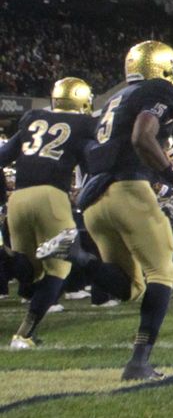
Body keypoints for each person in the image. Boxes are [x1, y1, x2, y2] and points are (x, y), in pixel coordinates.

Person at [68, 42, 173, 378]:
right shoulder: (159, 90)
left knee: (129, 286)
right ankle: (138, 362)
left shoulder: (114, 99)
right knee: (163, 273)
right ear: (164, 66)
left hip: (94, 200)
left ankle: (80, 258)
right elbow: (142, 136)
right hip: (128, 190)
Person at [3, 77, 90, 349]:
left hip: (18, 198)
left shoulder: (33, 119)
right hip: (52, 196)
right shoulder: (86, 124)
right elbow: (93, 164)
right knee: (59, 267)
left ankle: (3, 256)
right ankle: (23, 335)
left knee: (28, 268)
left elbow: (3, 155)